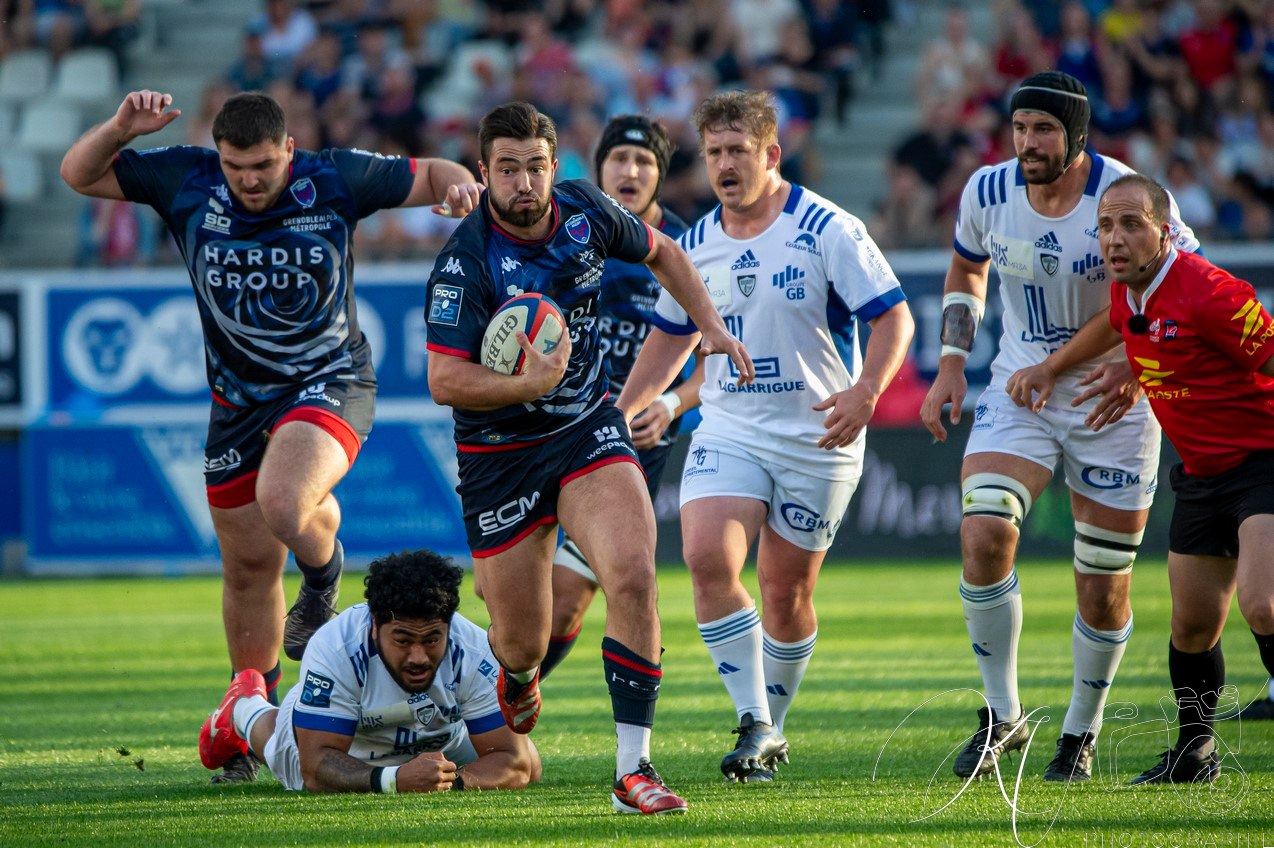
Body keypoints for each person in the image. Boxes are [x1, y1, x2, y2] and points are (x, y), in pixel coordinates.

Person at [60, 90, 482, 783]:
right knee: (248, 567)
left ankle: (321, 577)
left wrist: (459, 183)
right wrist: (118, 128)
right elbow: (79, 175)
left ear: (288, 150)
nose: (248, 180)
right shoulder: (188, 178)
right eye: (235, 167)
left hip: (332, 380)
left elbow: (434, 173)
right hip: (236, 403)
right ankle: (248, 703)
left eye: (261, 165)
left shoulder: (335, 178)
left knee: (283, 502)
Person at [424, 101, 752, 814]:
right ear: (484, 174)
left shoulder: (585, 211)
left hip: (586, 428)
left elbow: (664, 251)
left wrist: (714, 328)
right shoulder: (465, 261)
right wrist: (525, 382)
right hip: (499, 457)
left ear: (554, 167)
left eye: (535, 167)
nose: (523, 183)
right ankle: (517, 677)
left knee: (632, 574)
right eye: (506, 170)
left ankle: (633, 770)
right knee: (519, 641)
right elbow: (444, 380)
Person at [616, 90, 914, 783]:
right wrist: (618, 414)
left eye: (737, 151)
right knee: (705, 555)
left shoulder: (826, 227)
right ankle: (753, 718)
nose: (723, 164)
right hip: (729, 426)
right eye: (713, 152)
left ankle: (771, 728)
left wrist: (866, 392)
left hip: (819, 434)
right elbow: (667, 341)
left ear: (771, 154)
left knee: (785, 594)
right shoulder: (690, 246)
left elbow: (893, 318)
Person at [918, 71, 1200, 783]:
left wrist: (1142, 364)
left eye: (1043, 129)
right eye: (1019, 129)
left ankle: (1079, 733)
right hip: (1022, 384)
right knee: (983, 530)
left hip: (1113, 398)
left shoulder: (1125, 195)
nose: (1027, 144)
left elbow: (1185, 282)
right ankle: (1003, 714)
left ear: (1076, 134)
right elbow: (965, 263)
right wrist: (953, 361)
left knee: (1102, 583)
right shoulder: (988, 191)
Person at [1005, 174, 1274, 784]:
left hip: (1263, 462)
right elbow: (1120, 324)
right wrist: (1064, 367)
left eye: (1131, 224)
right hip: (1203, 478)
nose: (1115, 238)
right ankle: (1196, 753)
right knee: (1191, 626)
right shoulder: (1131, 294)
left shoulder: (1210, 291)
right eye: (1105, 226)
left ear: (1164, 230)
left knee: (1263, 605)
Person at [540, 115, 705, 681]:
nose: (631, 172)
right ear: (599, 165)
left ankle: (503, 713)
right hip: (550, 436)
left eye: (645, 163)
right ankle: (491, 710)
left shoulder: (689, 251)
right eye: (619, 160)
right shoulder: (566, 235)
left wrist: (673, 403)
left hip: (625, 448)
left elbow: (715, 362)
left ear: (659, 176)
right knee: (516, 602)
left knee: (566, 601)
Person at [199, 548, 542, 792]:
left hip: (436, 740)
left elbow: (514, 762)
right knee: (280, 748)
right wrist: (394, 780)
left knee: (532, 765)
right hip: (348, 747)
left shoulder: (473, 647)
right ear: (374, 625)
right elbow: (316, 767)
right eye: (404, 640)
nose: (419, 657)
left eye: (432, 640)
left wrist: (449, 784)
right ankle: (243, 707)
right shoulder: (336, 647)